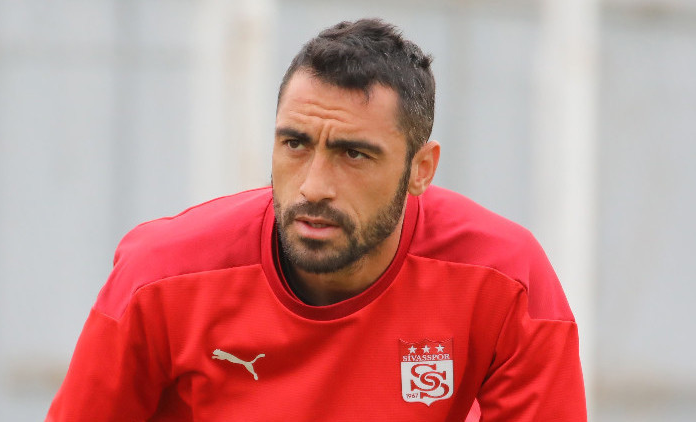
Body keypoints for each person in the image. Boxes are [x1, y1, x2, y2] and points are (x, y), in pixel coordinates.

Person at [46, 18, 586, 421]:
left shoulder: (507, 279)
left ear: (421, 169)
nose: (313, 186)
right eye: (295, 144)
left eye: (354, 154)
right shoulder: (160, 277)